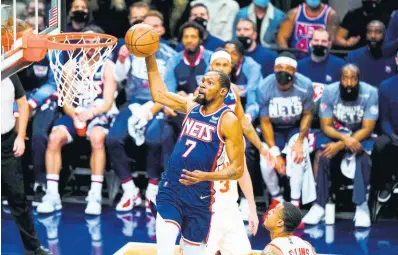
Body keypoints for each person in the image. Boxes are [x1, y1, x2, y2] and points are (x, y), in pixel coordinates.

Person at [144, 54, 245, 254]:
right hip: (171, 187)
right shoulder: (191, 106)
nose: (203, 85)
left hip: (200, 196)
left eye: (210, 82)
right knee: (164, 250)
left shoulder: (228, 121)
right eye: (203, 81)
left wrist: (206, 176)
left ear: (223, 91)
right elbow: (159, 94)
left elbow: (237, 169)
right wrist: (149, 56)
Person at [37, 25, 117, 215]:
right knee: (54, 137)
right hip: (76, 113)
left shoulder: (108, 66)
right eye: (86, 41)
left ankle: (95, 195)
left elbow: (107, 101)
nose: (89, 45)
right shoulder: (71, 66)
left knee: (97, 137)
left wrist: (91, 113)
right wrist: (75, 115)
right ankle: (52, 195)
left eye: (93, 41)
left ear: (100, 43)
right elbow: (66, 102)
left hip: (98, 114)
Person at [205, 50, 276, 254]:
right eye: (216, 64)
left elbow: (244, 122)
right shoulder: (200, 95)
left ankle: (243, 205)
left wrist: (262, 148)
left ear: (231, 69)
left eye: (224, 65)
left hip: (228, 201)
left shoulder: (233, 91)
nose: (220, 68)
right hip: (205, 188)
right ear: (210, 67)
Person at [107, 11, 176, 212]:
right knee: (113, 139)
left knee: (155, 140)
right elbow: (119, 78)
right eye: (146, 26)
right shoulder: (131, 48)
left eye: (155, 26)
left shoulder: (171, 54)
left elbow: (170, 87)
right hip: (133, 102)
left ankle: (152, 190)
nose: (151, 30)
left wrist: (157, 106)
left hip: (159, 103)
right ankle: (130, 190)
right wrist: (121, 60)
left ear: (162, 30)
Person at [303, 64, 378, 227]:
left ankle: (361, 207)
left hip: (360, 135)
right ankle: (319, 205)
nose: (349, 83)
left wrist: (342, 144)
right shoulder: (329, 92)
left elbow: (368, 128)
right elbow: (326, 126)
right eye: (345, 78)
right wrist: (343, 141)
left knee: (363, 156)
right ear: (339, 79)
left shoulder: (370, 92)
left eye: (353, 78)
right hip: (337, 133)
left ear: (359, 80)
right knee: (323, 155)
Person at [248, 51, 315, 220]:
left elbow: (308, 114)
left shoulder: (305, 84)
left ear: (294, 71)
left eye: (287, 68)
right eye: (279, 67)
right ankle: (276, 199)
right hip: (274, 129)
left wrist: (300, 140)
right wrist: (275, 153)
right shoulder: (265, 86)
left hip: (295, 128)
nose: (282, 71)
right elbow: (265, 121)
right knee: (266, 161)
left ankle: (294, 204)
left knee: (297, 158)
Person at [2, 74, 50, 254]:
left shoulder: (10, 74)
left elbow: (23, 105)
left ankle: (33, 248)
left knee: (18, 198)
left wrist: (21, 136)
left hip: (7, 142)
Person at [14, 53, 60, 206]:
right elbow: (11, 82)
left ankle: (40, 183)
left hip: (46, 98)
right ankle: (17, 186)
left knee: (39, 136)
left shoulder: (52, 53)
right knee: (13, 135)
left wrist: (32, 103)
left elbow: (54, 84)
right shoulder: (15, 52)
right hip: (20, 97)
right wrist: (18, 108)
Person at [373, 51, 398, 202]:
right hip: (393, 132)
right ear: (396, 60)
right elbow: (384, 120)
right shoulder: (386, 86)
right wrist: (395, 137)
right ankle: (384, 184)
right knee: (379, 145)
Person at [346, 20, 396, 87]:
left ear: (385, 35)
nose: (373, 36)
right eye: (369, 32)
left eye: (378, 32)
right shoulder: (353, 56)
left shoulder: (394, 57)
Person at [222, 40, 263, 107]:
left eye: (234, 54)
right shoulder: (217, 64)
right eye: (226, 53)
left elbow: (252, 95)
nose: (229, 57)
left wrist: (248, 116)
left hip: (248, 105)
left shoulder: (252, 67)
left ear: (241, 56)